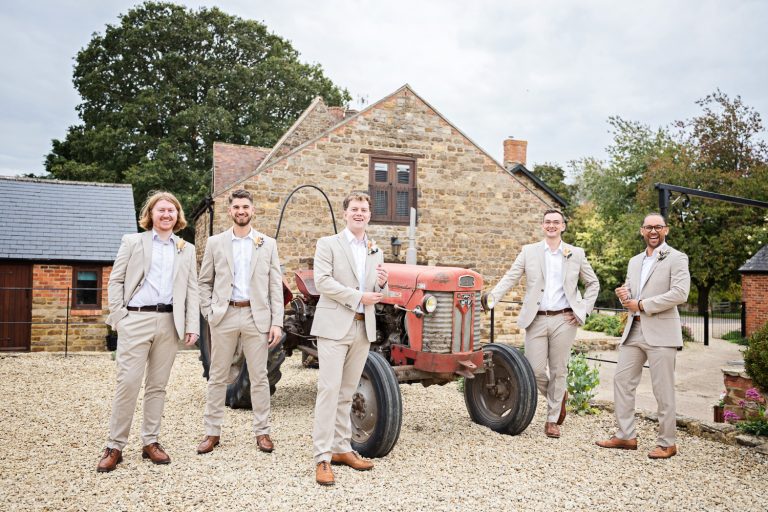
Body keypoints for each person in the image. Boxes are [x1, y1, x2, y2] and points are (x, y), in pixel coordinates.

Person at [97, 191, 199, 473]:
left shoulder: (185, 248)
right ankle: (114, 445)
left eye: (172, 210)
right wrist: (119, 317)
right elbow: (115, 280)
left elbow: (192, 289)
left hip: (169, 323)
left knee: (157, 386)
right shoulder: (133, 242)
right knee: (128, 382)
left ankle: (151, 442)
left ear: (178, 216)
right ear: (151, 215)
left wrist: (191, 325)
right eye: (161, 210)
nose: (166, 215)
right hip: (136, 320)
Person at [487, 208, 599, 438]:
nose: (551, 225)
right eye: (548, 222)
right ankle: (559, 397)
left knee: (559, 370)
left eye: (556, 222)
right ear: (542, 226)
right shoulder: (529, 252)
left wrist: (583, 310)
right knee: (534, 369)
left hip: (564, 319)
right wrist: (492, 297)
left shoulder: (575, 253)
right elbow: (511, 276)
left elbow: (593, 283)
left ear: (563, 226)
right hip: (536, 319)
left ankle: (552, 420)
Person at [197, 189, 284, 455]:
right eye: (236, 207)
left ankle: (262, 432)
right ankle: (212, 432)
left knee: (259, 378)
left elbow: (275, 286)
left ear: (253, 210)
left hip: (256, 316)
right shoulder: (215, 243)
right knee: (217, 376)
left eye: (245, 206)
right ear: (230, 211)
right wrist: (210, 312)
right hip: (224, 316)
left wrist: (277, 322)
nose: (241, 211)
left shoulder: (267, 244)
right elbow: (204, 282)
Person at [596, 213, 690, 459]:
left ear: (666, 230)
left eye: (658, 227)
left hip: (661, 331)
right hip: (634, 330)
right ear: (642, 231)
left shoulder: (677, 257)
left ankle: (667, 442)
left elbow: (680, 293)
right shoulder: (634, 261)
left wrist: (643, 304)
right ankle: (626, 435)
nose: (653, 231)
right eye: (648, 227)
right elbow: (631, 294)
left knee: (663, 389)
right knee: (622, 381)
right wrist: (624, 296)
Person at [311, 191, 389, 486]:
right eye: (354, 209)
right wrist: (359, 295)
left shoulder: (375, 249)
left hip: (362, 327)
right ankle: (322, 457)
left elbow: (375, 286)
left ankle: (342, 448)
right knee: (328, 391)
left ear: (370, 215)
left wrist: (382, 282)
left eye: (364, 209)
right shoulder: (328, 244)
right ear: (345, 213)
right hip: (333, 327)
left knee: (346, 393)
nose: (359, 213)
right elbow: (323, 282)